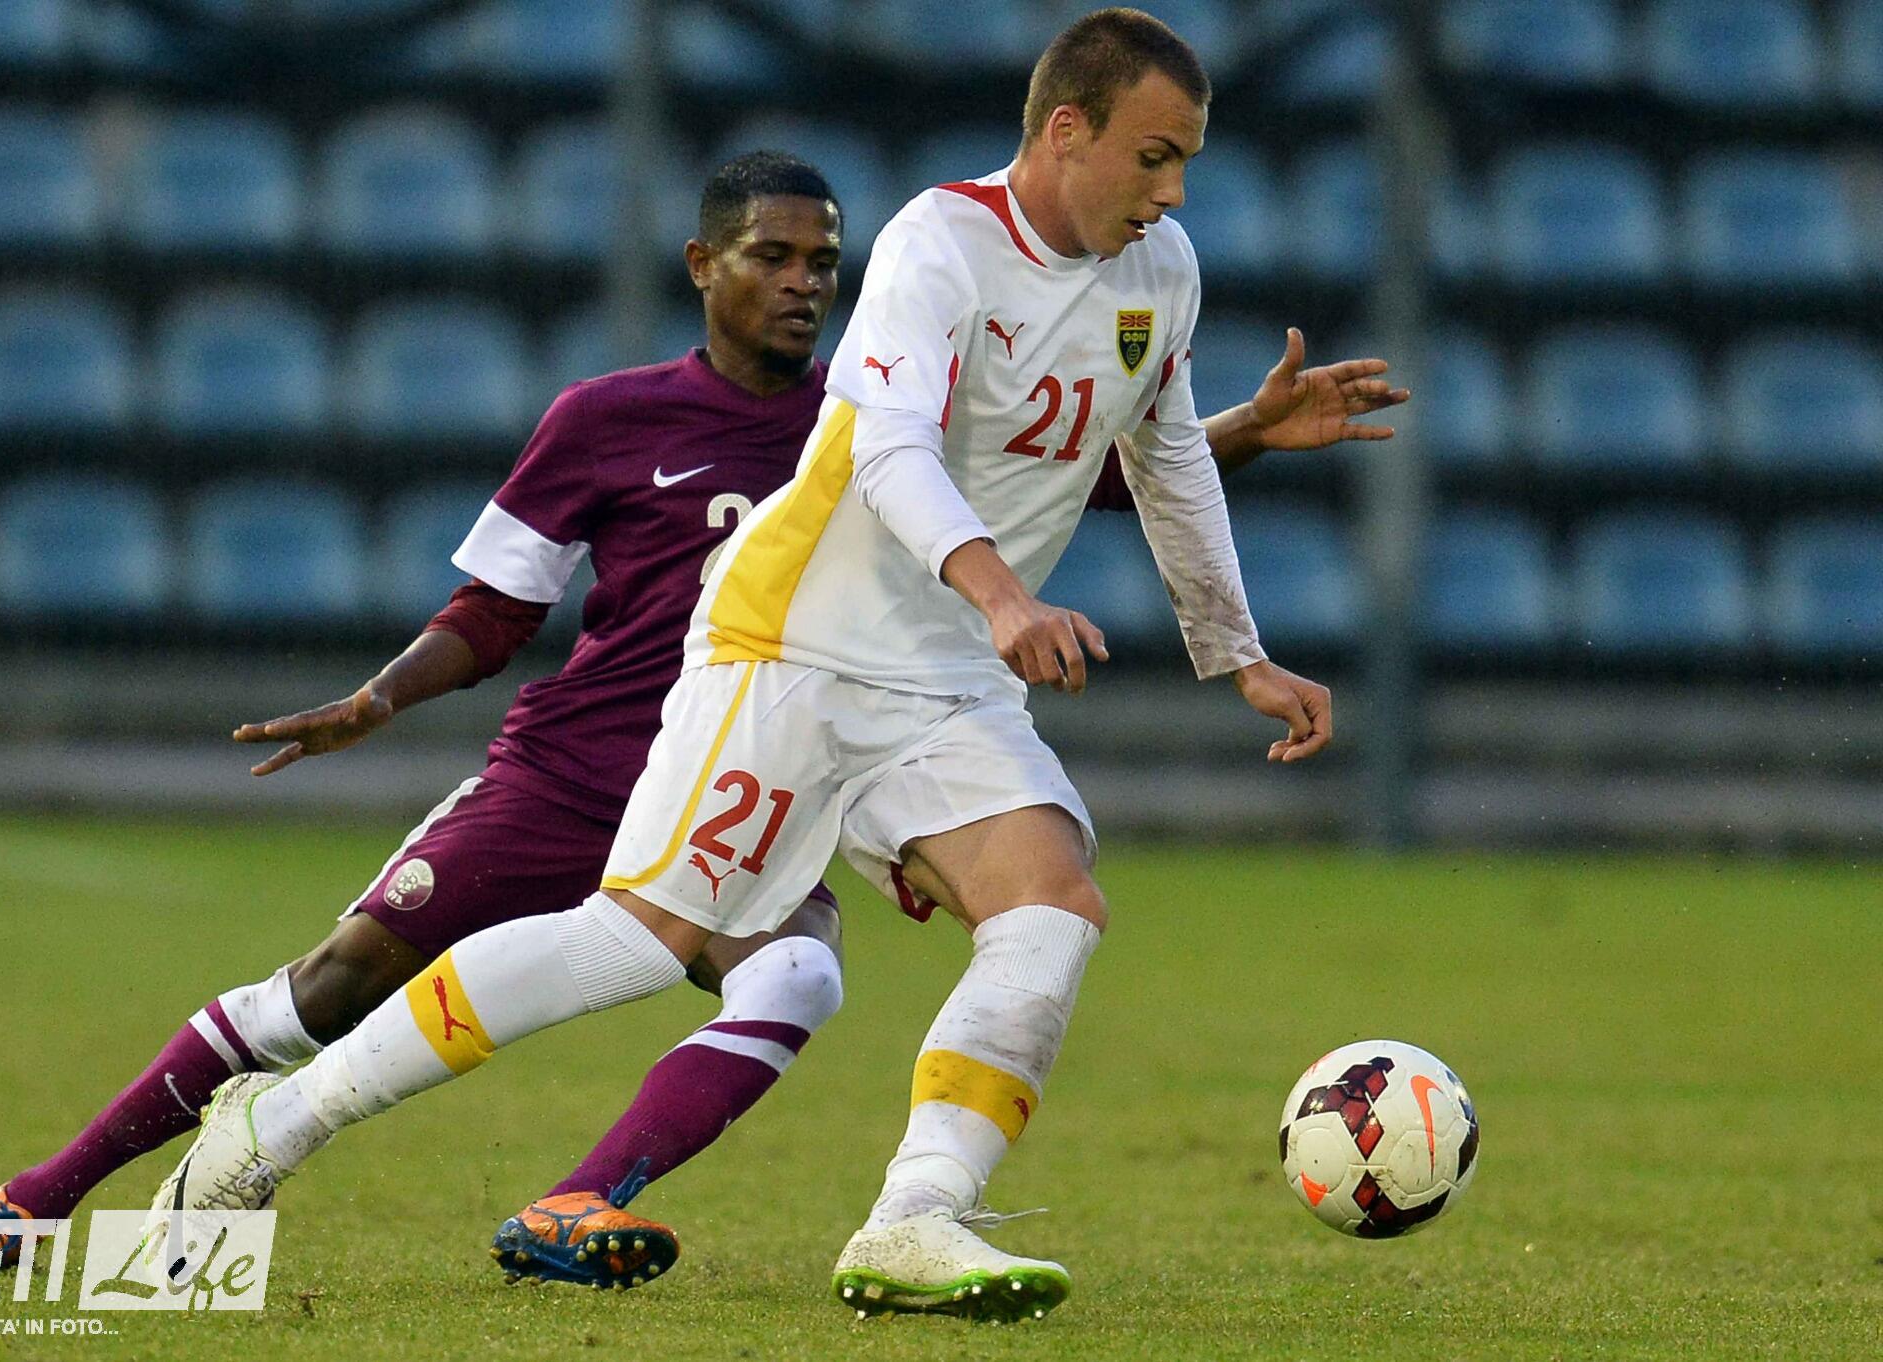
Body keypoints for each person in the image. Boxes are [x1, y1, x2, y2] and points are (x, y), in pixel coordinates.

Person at [154, 7, 1410, 1320]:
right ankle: (279, 1119)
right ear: (1066, 129)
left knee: (1051, 905)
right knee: (638, 941)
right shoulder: (940, 244)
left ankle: (916, 1216)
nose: (1175, 189)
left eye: (1188, 162)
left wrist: (1239, 654)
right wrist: (997, 592)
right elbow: (886, 448)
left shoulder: (1163, 274)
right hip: (793, 640)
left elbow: (1160, 455)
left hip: (942, 678)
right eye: (1155, 156)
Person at [0, 152, 855, 1292]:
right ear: (703, 265)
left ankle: (579, 1200)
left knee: (795, 976)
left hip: (737, 791)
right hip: (575, 777)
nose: (804, 282)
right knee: (333, 985)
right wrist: (381, 697)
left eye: (822, 262)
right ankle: (35, 1204)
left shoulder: (867, 429)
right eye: (773, 255)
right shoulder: (608, 420)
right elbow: (500, 607)